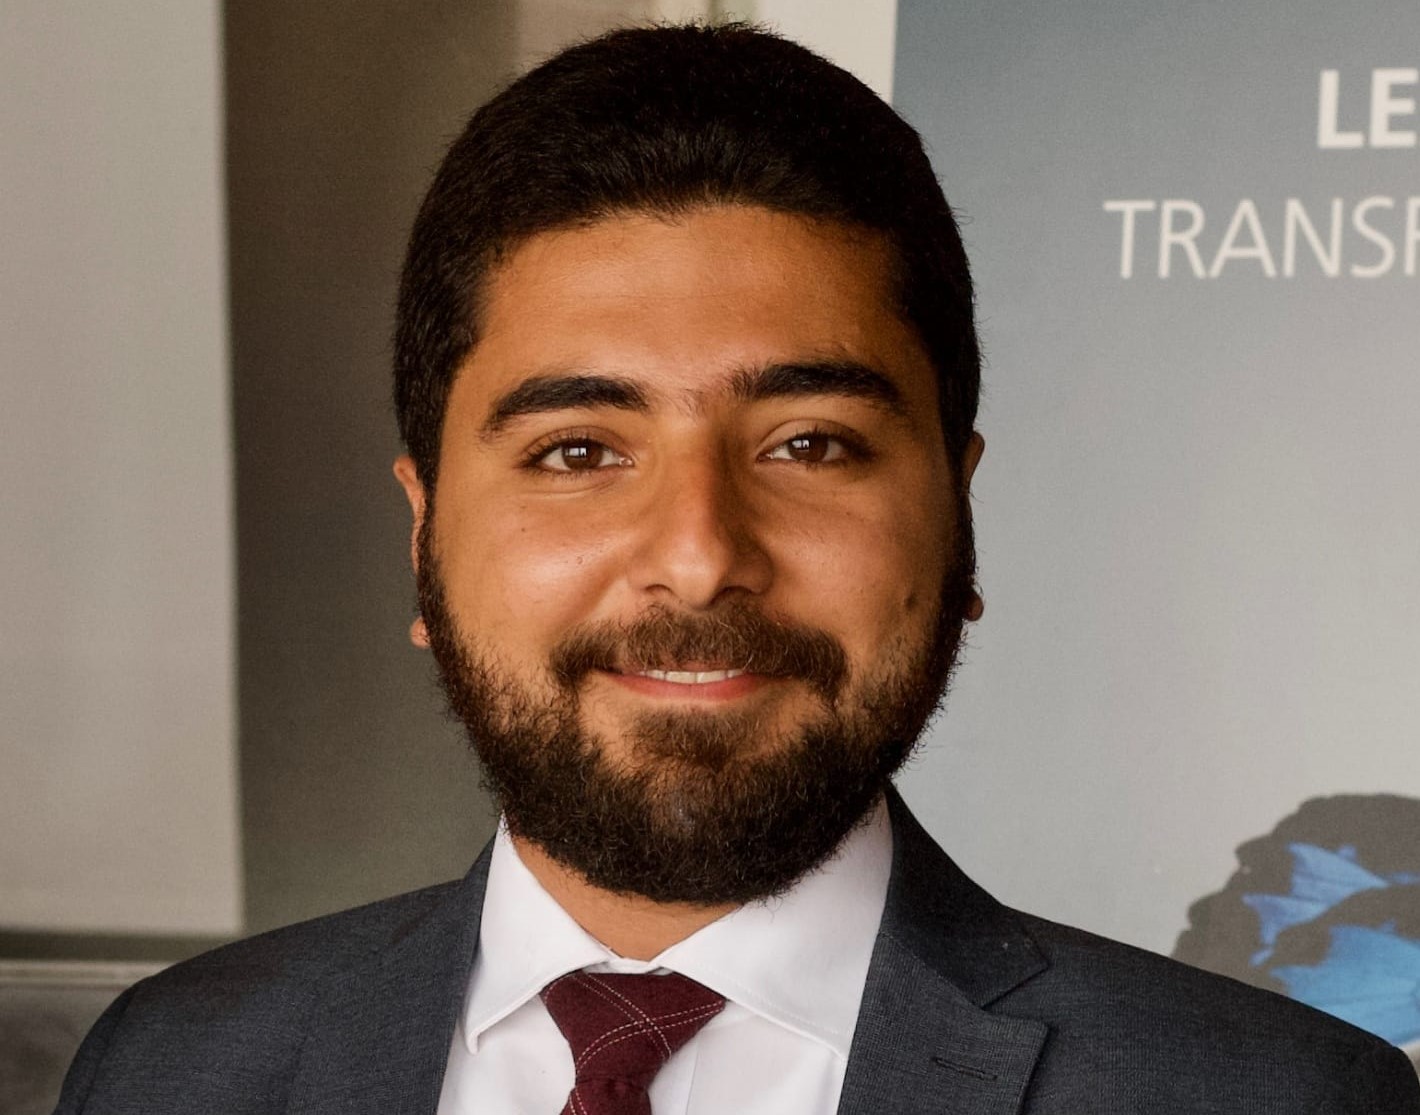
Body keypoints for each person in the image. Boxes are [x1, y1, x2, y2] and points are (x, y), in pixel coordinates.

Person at [54, 22, 1420, 1115]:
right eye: (579, 451)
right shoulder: (175, 1071)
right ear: (423, 541)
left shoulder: (1276, 1099)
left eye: (810, 444)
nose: (701, 557)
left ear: (958, 516)